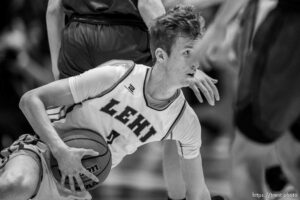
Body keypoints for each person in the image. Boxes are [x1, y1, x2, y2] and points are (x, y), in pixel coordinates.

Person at [0, 6, 212, 200]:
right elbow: (30, 100)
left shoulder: (184, 121)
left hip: (76, 185)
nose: (195, 62)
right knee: (16, 184)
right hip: (42, 154)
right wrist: (60, 151)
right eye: (187, 53)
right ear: (161, 55)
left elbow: (198, 192)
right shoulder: (117, 75)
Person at [188, 0, 300, 199]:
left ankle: (273, 182)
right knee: (289, 150)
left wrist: (219, 24)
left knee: (246, 157)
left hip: (286, 33)